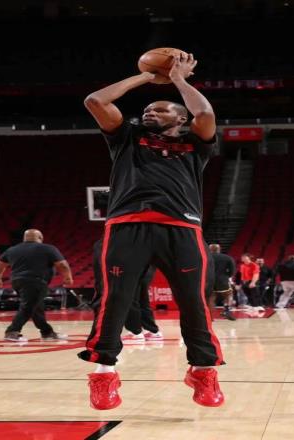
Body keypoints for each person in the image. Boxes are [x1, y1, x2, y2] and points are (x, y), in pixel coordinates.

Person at [79, 52, 224, 410]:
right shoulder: (126, 137)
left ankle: (202, 371)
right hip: (127, 225)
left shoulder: (196, 143)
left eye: (159, 110)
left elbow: (205, 114)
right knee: (114, 300)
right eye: (147, 110)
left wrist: (177, 79)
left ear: (180, 118)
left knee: (193, 302)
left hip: (182, 227)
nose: (149, 113)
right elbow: (95, 101)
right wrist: (146, 76)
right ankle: (103, 374)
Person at [0, 229, 73, 342]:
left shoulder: (12, 249)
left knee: (36, 307)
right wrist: (67, 277)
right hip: (35, 281)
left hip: (17, 281)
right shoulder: (48, 248)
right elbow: (62, 264)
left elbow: (0, 264)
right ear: (40, 238)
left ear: (25, 238)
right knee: (28, 307)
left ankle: (47, 333)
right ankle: (12, 332)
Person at [92, 239, 163, 342]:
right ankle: (152, 330)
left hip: (135, 268)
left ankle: (135, 332)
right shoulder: (144, 239)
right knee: (142, 299)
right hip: (146, 267)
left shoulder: (114, 241)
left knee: (131, 299)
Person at [208, 243, 236, 321]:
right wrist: (226, 276)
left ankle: (210, 317)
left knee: (211, 298)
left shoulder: (205, 257)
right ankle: (227, 311)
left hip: (209, 280)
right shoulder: (227, 258)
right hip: (222, 280)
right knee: (228, 294)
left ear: (209, 249)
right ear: (219, 249)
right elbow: (232, 271)